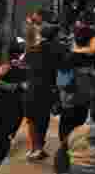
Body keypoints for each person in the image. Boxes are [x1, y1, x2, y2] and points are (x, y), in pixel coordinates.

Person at [58, 25, 95, 145]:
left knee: (73, 126)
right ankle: (67, 150)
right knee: (72, 126)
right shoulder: (76, 57)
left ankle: (68, 149)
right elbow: (63, 82)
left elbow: (62, 81)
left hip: (78, 100)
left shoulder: (89, 57)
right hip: (76, 100)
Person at [23, 22, 67, 162]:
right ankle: (39, 147)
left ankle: (36, 148)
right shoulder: (61, 49)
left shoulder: (32, 49)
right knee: (43, 118)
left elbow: (25, 67)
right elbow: (64, 71)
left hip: (33, 87)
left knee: (31, 119)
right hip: (51, 89)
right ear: (56, 35)